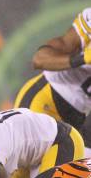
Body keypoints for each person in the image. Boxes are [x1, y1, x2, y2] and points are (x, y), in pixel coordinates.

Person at [15, 8, 91, 157]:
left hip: (78, 117)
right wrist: (82, 59)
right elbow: (39, 59)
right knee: (21, 175)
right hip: (46, 99)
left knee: (67, 177)